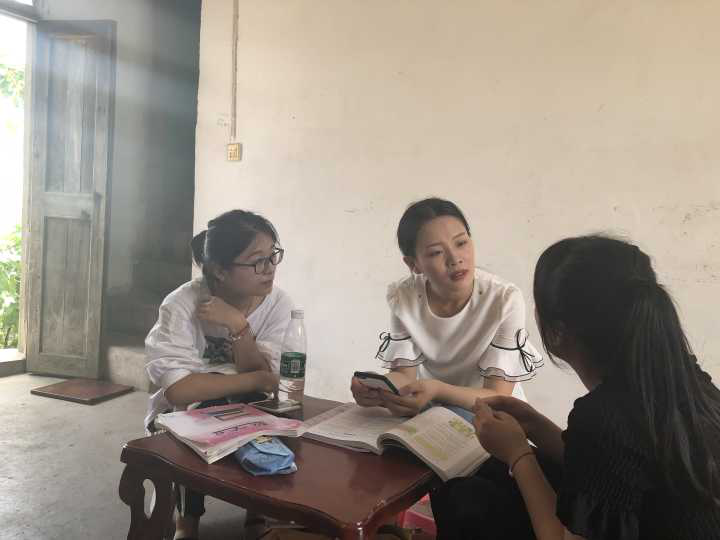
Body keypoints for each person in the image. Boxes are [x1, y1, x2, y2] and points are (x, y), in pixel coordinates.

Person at [437, 235, 720, 539]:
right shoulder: (685, 377)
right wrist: (533, 424)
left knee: (465, 500)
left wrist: (518, 454)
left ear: (557, 332)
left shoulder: (601, 418)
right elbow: (616, 464)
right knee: (491, 474)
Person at [144, 209, 294, 540]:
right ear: (219, 271)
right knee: (196, 415)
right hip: (184, 409)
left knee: (275, 412)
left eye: (273, 256)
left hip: (246, 400)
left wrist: (239, 326)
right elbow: (180, 391)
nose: (270, 268)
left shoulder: (278, 304)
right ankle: (188, 519)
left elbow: (265, 376)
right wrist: (255, 380)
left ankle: (257, 512)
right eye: (257, 261)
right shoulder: (181, 304)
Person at [351, 197, 543, 418]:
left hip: (494, 419)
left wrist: (438, 390)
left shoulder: (505, 299)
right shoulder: (403, 297)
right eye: (436, 252)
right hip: (434, 413)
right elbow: (404, 376)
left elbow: (498, 396)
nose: (455, 259)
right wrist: (378, 388)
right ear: (413, 264)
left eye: (461, 243)